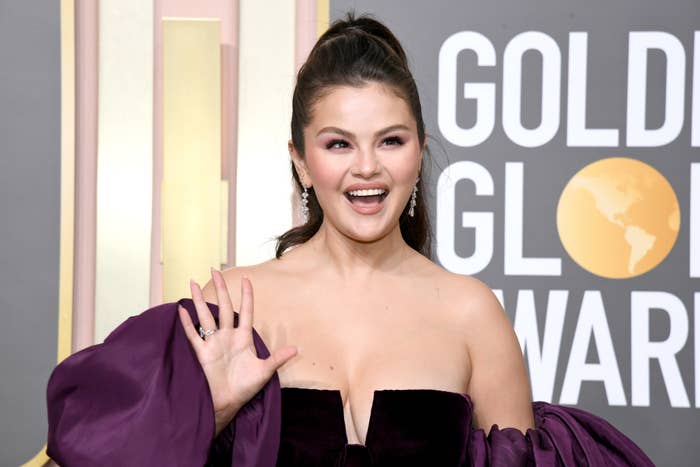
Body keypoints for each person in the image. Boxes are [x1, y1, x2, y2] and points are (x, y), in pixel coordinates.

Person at [47, 13, 654, 467]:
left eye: (390, 141)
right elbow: (92, 450)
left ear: (419, 152)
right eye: (339, 143)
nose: (367, 167)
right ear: (301, 162)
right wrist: (211, 413)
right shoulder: (232, 304)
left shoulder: (472, 313)